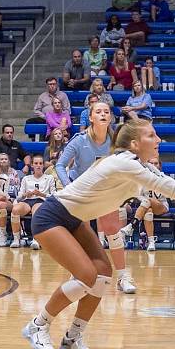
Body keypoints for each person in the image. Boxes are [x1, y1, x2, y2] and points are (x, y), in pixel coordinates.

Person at [21, 117, 175, 349]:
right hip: (52, 216)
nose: (159, 140)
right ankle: (38, 325)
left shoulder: (141, 166)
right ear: (134, 143)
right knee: (86, 276)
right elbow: (170, 188)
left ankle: (72, 338)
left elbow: (166, 186)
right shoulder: (123, 163)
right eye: (151, 136)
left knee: (102, 276)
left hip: (74, 219)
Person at [55, 102, 138, 294]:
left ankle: (123, 277)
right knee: (80, 232)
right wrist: (70, 186)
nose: (103, 114)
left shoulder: (117, 142)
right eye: (98, 112)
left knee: (112, 229)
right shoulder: (79, 140)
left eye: (106, 112)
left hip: (104, 191)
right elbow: (60, 165)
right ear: (90, 117)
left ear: (110, 118)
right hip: (81, 192)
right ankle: (78, 273)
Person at [120, 157, 172, 251]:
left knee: (149, 201)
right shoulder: (142, 179)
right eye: (151, 163)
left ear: (160, 165)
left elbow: (170, 195)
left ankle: (132, 225)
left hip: (162, 206)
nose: (153, 165)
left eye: (156, 163)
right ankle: (151, 242)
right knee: (149, 211)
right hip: (146, 205)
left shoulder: (164, 178)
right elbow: (138, 196)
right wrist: (146, 200)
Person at [11, 155, 55, 249]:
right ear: (32, 165)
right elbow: (18, 197)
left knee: (37, 211)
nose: (38, 166)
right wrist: (25, 194)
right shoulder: (26, 179)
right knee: (15, 210)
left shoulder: (49, 178)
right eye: (36, 163)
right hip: (27, 200)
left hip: (41, 200)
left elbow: (53, 196)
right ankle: (16, 238)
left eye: (40, 163)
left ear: (43, 165)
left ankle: (36, 239)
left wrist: (41, 194)